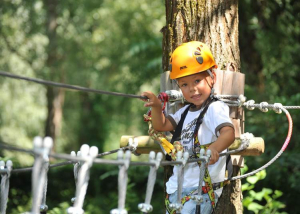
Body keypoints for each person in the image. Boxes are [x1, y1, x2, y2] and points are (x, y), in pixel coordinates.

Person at [141, 41, 235, 214]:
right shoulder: (184, 112)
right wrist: (155, 106)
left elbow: (228, 133)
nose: (192, 89)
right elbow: (160, 125)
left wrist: (215, 148)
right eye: (184, 84)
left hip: (202, 187)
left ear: (212, 77)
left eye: (197, 80)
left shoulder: (215, 108)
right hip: (178, 186)